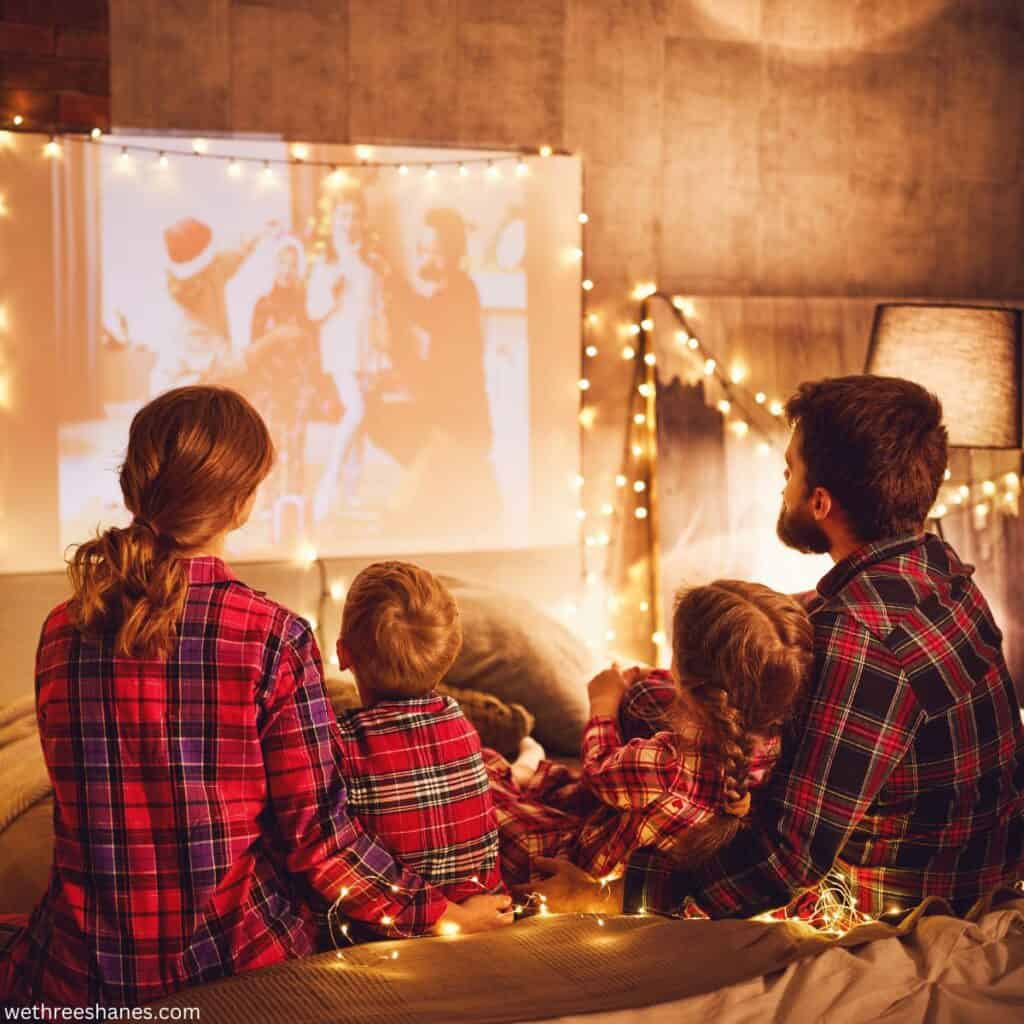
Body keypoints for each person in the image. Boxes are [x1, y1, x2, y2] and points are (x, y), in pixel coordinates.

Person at [0, 387, 510, 1007]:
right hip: (236, 973)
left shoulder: (61, 628)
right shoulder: (274, 637)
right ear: (240, 504)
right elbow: (320, 838)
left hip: (78, 978)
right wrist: (442, 916)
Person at [530, 375, 1024, 920]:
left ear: (820, 502)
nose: (782, 486)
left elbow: (784, 862)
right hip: (984, 861)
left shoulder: (860, 645)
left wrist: (611, 894)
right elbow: (813, 607)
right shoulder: (939, 570)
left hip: (901, 898)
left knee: (667, 740)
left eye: (789, 471)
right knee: (654, 697)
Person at [485, 582, 812, 887]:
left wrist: (603, 704)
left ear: (684, 674)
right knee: (548, 786)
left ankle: (519, 772)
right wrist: (650, 674)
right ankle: (523, 772)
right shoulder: (773, 746)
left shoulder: (662, 765)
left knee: (486, 781)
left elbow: (598, 772)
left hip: (591, 868)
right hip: (634, 834)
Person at [332, 562, 505, 937]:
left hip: (387, 932)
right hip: (487, 910)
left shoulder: (341, 743)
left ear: (343, 654)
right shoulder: (461, 724)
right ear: (451, 654)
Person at [307, 193, 385, 521]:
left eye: (354, 216)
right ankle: (330, 479)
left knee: (361, 421)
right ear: (333, 219)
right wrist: (332, 292)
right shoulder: (326, 264)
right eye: (343, 215)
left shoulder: (369, 264)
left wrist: (382, 350)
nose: (349, 222)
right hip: (340, 347)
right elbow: (314, 310)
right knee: (356, 409)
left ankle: (352, 490)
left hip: (366, 349)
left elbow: (378, 310)